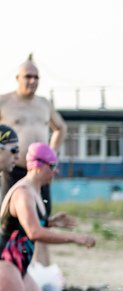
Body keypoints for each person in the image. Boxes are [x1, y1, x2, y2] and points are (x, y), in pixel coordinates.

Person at [0, 143, 94, 291]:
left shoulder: (33, 191)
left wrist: (51, 221)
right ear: (39, 166)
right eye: (53, 166)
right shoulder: (23, 192)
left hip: (19, 265)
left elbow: (23, 225)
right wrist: (76, 238)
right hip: (5, 262)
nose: (56, 171)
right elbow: (33, 232)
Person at [0, 58, 68, 267]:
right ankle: (6, 269)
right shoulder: (5, 102)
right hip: (13, 170)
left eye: (36, 77)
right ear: (17, 78)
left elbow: (61, 128)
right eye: (28, 76)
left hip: (39, 173)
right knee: (10, 224)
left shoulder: (43, 104)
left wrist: (51, 154)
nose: (32, 81)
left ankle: (43, 272)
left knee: (41, 222)